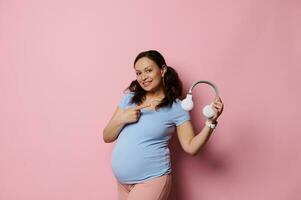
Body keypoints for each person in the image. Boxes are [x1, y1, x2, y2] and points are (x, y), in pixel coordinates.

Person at [103, 50, 224, 200]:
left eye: (148, 70)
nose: (143, 77)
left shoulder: (177, 108)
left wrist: (211, 122)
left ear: (162, 70)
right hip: (122, 183)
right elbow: (107, 136)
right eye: (139, 73)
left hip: (152, 180)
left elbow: (191, 147)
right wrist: (122, 118)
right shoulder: (129, 99)